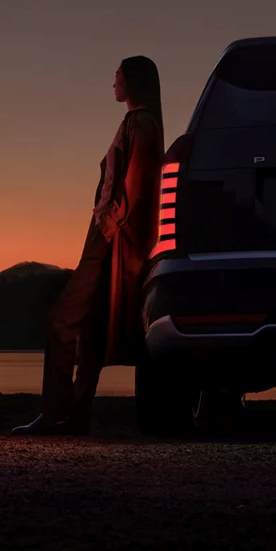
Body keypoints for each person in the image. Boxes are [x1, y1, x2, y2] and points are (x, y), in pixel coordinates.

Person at [13, 55, 165, 435]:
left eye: (117, 75)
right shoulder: (136, 123)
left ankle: (55, 413)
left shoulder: (141, 124)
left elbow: (134, 185)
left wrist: (107, 225)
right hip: (106, 235)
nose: (113, 82)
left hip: (109, 237)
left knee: (63, 319)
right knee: (92, 328)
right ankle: (75, 416)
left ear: (132, 80)